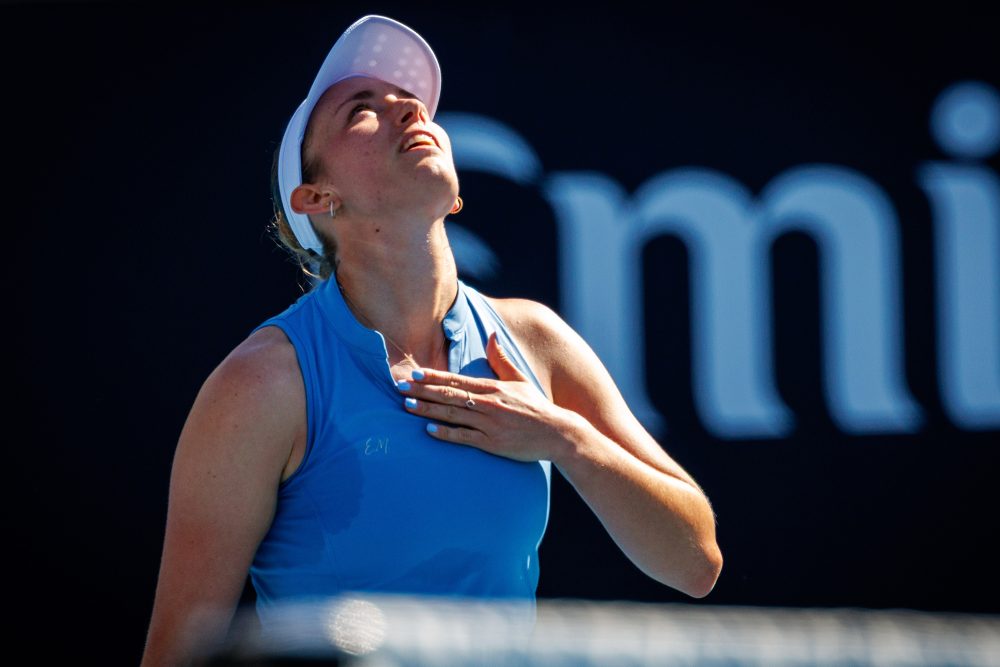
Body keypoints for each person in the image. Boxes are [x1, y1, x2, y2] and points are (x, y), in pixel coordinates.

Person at [141, 14, 722, 666]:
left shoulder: (537, 340)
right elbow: (174, 654)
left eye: (411, 103)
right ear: (316, 196)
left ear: (455, 200)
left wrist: (564, 438)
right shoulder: (262, 385)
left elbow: (696, 561)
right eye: (362, 109)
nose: (407, 110)